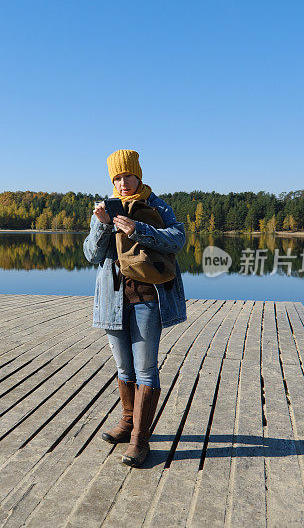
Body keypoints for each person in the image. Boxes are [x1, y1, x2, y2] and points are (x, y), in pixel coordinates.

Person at [83, 149, 187, 467]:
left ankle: (140, 442)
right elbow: (91, 254)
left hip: (148, 297)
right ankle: (128, 423)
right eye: (116, 177)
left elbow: (178, 239)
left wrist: (136, 229)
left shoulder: (157, 205)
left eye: (127, 175)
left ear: (138, 175)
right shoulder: (105, 208)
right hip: (113, 297)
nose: (123, 182)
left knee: (145, 369)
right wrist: (102, 226)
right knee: (124, 369)